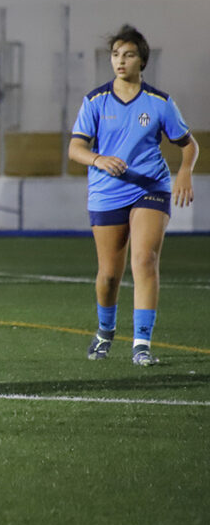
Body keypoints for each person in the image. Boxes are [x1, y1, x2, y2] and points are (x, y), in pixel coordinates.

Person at [68, 25, 197, 366]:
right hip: (106, 192)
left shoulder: (159, 102)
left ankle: (141, 344)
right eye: (115, 55)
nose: (120, 61)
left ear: (142, 61)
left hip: (150, 188)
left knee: (144, 259)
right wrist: (97, 158)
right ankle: (105, 332)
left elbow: (189, 145)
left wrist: (184, 171)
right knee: (110, 273)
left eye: (128, 55)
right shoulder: (95, 100)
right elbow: (75, 147)